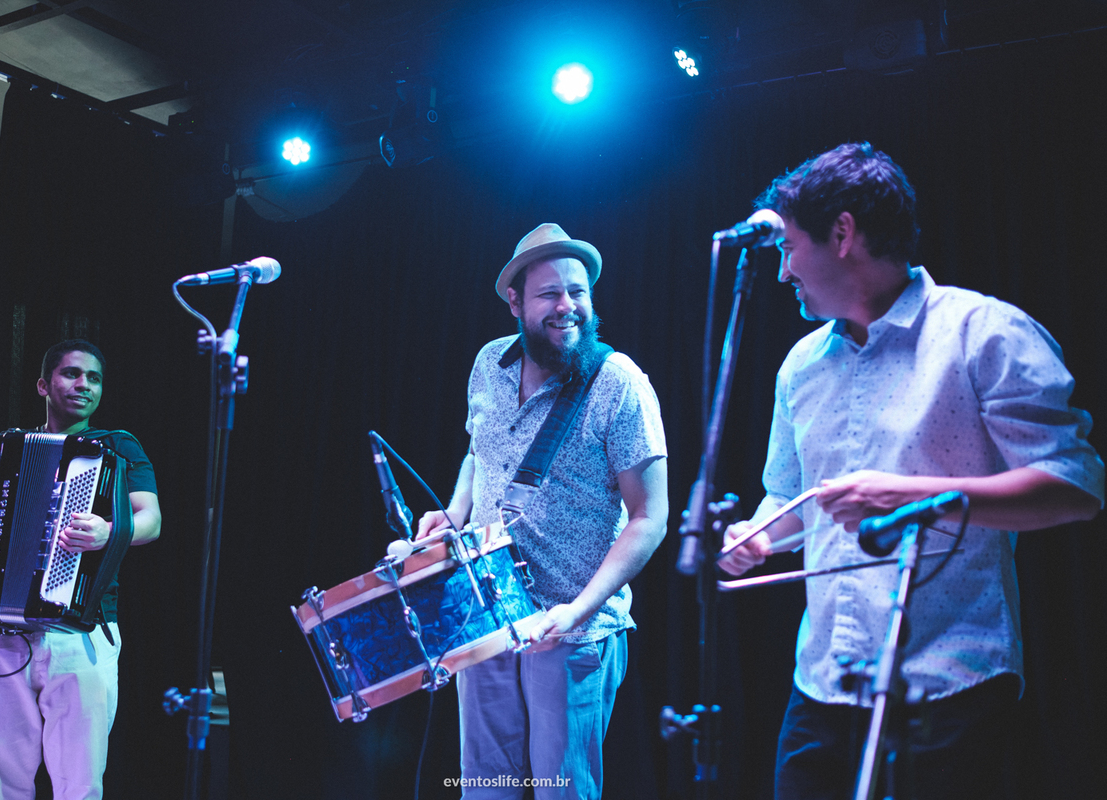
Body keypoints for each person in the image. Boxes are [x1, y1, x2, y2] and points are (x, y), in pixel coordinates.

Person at [718, 143, 1104, 799]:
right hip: (823, 681)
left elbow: (1074, 487)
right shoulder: (801, 365)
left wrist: (910, 495)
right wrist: (759, 537)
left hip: (949, 681)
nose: (783, 272)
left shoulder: (984, 331)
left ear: (842, 234)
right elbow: (789, 496)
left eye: (789, 248)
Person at [416, 224, 668, 799]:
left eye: (578, 292)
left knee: (562, 791)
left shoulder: (619, 383)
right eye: (550, 294)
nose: (567, 306)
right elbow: (480, 452)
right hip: (482, 613)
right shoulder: (488, 364)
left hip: (572, 630)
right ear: (515, 302)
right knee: (484, 788)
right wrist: (453, 513)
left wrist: (577, 611)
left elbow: (649, 518)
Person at [0, 339, 161, 800]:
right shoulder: (8, 449)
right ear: (43, 385)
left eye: (93, 378)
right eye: (72, 374)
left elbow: (150, 519)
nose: (84, 385)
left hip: (81, 631)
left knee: (79, 781)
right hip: (0, 633)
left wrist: (109, 530)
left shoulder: (117, 446)